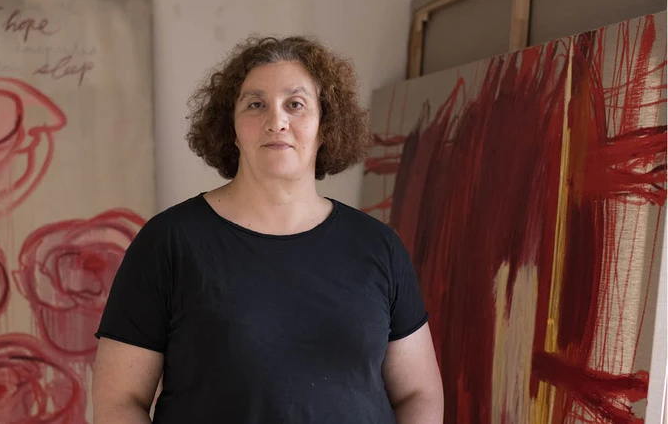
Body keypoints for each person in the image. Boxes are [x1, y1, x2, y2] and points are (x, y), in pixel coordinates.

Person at [92, 35, 444, 423]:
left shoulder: (379, 246)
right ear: (231, 128)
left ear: (326, 126)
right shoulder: (168, 243)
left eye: (296, 104)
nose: (277, 122)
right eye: (256, 105)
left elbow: (418, 394)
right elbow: (118, 402)